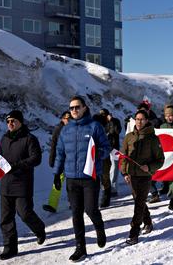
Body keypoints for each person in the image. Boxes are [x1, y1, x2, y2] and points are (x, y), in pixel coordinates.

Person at [53, 96, 111, 262]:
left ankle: (99, 228)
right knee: (76, 213)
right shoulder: (65, 130)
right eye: (71, 108)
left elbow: (106, 148)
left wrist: (96, 155)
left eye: (77, 107)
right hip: (71, 178)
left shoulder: (95, 127)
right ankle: (81, 248)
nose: (74, 110)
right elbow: (60, 154)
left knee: (91, 210)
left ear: (85, 107)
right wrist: (57, 174)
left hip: (90, 177)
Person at [0, 110, 46, 260]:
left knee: (24, 213)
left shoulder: (30, 139)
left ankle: (39, 229)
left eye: (13, 120)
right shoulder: (4, 139)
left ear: (20, 122)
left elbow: (36, 158)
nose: (10, 123)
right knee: (6, 218)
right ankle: (9, 248)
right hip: (5, 184)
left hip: (22, 183)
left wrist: (16, 165)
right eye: (8, 121)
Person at [121, 110, 165, 245]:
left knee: (139, 203)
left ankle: (133, 233)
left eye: (142, 119)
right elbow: (124, 156)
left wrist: (149, 167)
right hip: (132, 176)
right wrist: (125, 172)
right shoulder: (129, 137)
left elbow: (160, 160)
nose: (139, 122)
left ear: (147, 120)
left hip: (145, 177)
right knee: (138, 201)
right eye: (137, 119)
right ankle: (148, 222)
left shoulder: (153, 138)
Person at [43, 111, 71, 213]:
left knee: (72, 182)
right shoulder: (58, 129)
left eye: (70, 118)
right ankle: (52, 205)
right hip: (61, 160)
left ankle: (72, 202)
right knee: (57, 181)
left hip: (72, 159)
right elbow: (53, 145)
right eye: (67, 118)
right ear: (62, 119)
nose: (69, 120)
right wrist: (52, 159)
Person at [99, 109, 122, 207]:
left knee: (115, 168)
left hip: (114, 148)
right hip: (104, 149)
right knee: (104, 169)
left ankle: (113, 188)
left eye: (104, 114)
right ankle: (105, 189)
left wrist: (111, 120)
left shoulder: (115, 121)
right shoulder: (99, 123)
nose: (103, 116)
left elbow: (117, 131)